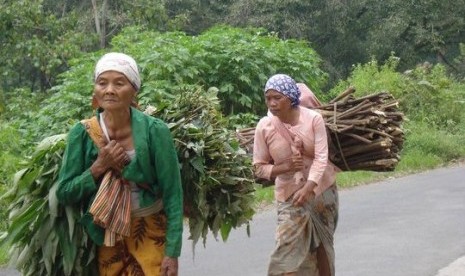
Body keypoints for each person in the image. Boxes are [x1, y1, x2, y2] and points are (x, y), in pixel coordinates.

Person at [56, 52, 183, 276]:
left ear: (134, 90)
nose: (109, 90)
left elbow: (173, 194)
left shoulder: (155, 131)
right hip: (107, 235)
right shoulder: (82, 134)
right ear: (95, 90)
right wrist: (99, 166)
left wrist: (172, 253)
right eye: (102, 83)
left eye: (119, 83)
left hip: (151, 230)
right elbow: (65, 192)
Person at [253, 74, 339, 276]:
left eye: (277, 98)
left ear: (291, 97)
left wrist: (309, 187)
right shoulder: (264, 127)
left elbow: (321, 157)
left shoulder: (313, 119)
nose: (272, 103)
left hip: (322, 193)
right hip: (289, 198)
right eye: (268, 98)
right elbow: (258, 167)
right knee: (285, 251)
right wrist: (284, 167)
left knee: (322, 248)